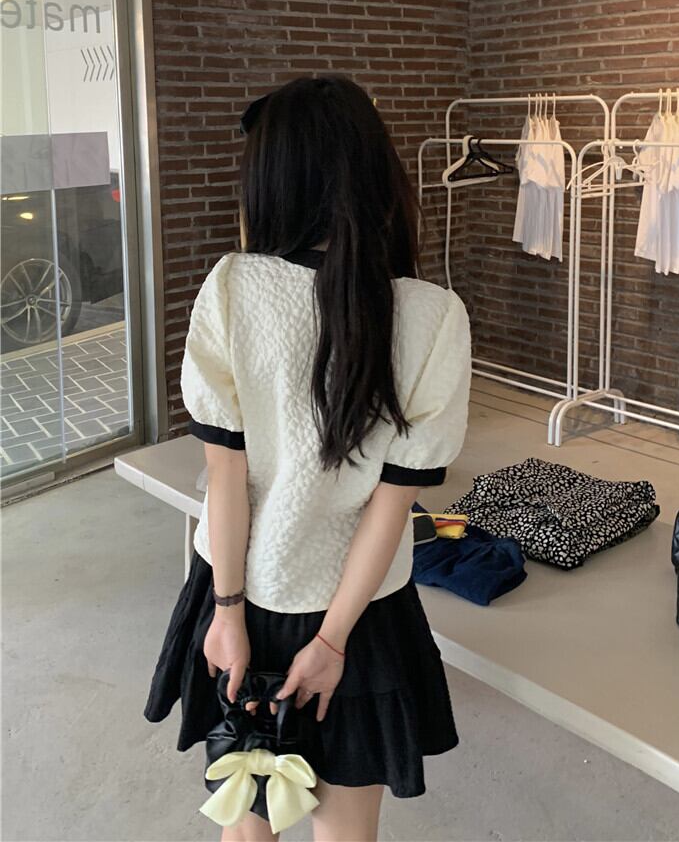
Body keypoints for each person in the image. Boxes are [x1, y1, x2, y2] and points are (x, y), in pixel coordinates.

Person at [143, 74, 473, 842]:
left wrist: (228, 614)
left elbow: (225, 475)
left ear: (273, 180)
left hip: (242, 594)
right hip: (363, 615)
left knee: (245, 810)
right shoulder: (433, 317)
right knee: (346, 829)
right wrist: (331, 643)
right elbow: (393, 506)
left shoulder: (233, 288)